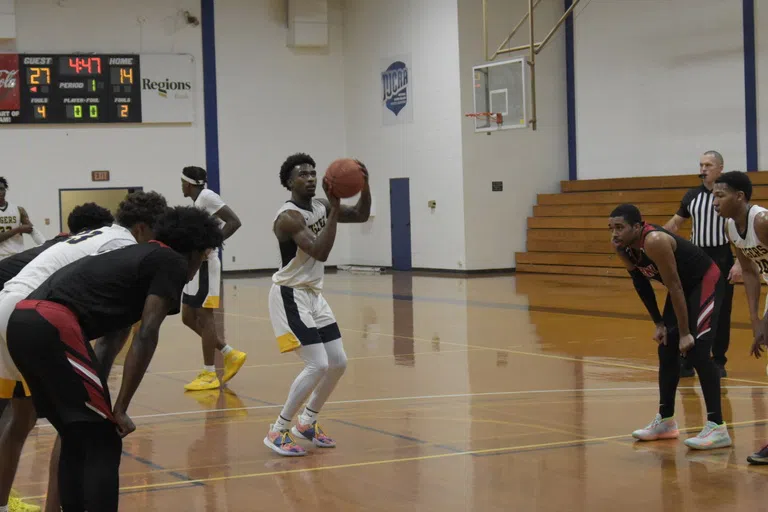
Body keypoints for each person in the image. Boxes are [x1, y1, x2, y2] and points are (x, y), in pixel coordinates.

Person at [6, 205, 223, 511]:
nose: (197, 268)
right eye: (203, 259)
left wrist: (107, 403)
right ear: (195, 251)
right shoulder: (169, 261)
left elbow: (111, 341)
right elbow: (147, 334)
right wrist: (118, 409)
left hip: (23, 321)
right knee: (102, 441)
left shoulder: (136, 259)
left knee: (77, 434)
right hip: (51, 321)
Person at [0, 202, 114, 512]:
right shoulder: (87, 255)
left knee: (19, 417)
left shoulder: (56, 246)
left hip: (7, 308)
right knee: (69, 418)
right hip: (16, 313)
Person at [264, 153, 370, 456]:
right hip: (289, 293)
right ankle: (278, 430)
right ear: (289, 183)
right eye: (302, 174)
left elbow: (361, 215)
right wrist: (334, 209)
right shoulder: (288, 217)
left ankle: (307, 422)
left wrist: (365, 184)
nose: (310, 178)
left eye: (313, 173)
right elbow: (320, 252)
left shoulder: (322, 205)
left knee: (338, 363)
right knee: (318, 363)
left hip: (312, 294)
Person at [609, 203, 731, 450]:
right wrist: (659, 323)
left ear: (637, 226)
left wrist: (685, 333)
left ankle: (717, 427)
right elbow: (641, 284)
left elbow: (674, 285)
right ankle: (665, 421)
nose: (614, 233)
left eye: (620, 227)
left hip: (704, 280)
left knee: (696, 351)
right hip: (681, 289)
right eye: (611, 228)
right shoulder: (623, 248)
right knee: (666, 348)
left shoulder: (654, 240)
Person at [711, 171, 768, 464]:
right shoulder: (731, 228)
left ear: (740, 197)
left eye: (720, 195)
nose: (714, 201)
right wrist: (756, 318)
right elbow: (748, 271)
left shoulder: (762, 221)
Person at [664, 150, 734, 377]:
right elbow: (675, 224)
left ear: (720, 168)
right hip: (696, 258)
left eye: (708, 165)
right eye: (701, 165)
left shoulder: (730, 194)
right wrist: (653, 239)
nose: (703, 169)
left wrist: (741, 263)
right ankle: (688, 359)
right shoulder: (692, 195)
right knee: (691, 309)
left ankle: (718, 360)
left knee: (720, 312)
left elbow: (741, 227)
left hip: (722, 256)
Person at [180, 166, 246, 391]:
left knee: (205, 317)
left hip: (207, 266)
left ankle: (209, 373)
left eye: (182, 182)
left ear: (188, 184)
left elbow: (234, 222)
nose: (181, 186)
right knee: (187, 317)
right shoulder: (198, 202)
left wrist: (211, 243)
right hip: (195, 267)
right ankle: (230, 353)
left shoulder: (207, 197)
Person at [0, 177, 46, 260]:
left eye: (1, 189)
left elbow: (32, 230)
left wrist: (45, 246)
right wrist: (18, 229)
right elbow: (19, 229)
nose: (0, 192)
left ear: (5, 190)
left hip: (17, 255)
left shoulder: (18, 209)